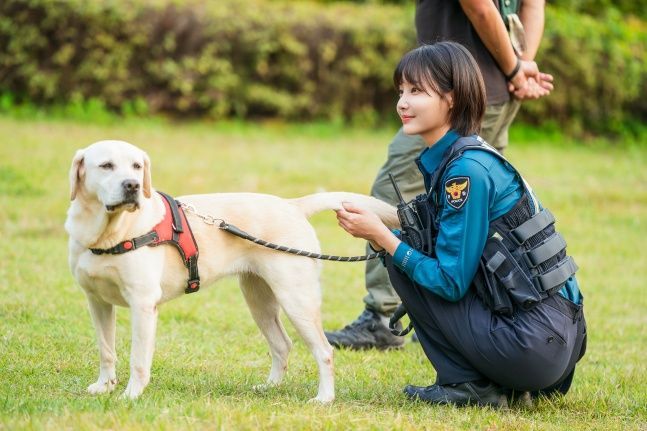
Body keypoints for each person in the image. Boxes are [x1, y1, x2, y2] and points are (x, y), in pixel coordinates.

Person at [334, 42, 586, 407]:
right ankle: (490, 379)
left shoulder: (464, 173)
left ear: (452, 98)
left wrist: (383, 238)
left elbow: (450, 283)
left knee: (403, 257)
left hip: (536, 346)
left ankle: (468, 385)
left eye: (417, 91)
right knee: (412, 246)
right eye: (401, 91)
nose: (402, 102)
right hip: (555, 341)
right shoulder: (470, 154)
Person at [325, 0, 555, 350]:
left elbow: (479, 7)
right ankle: (477, 310)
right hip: (493, 88)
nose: (399, 100)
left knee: (397, 195)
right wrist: (520, 66)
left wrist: (514, 69)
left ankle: (382, 318)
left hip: (452, 90)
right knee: (483, 212)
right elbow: (533, 6)